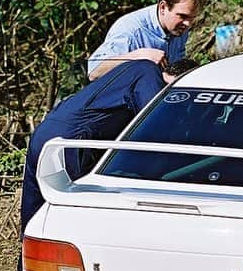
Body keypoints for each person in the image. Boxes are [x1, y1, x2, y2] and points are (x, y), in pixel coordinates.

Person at [19, 57, 198, 240]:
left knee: (34, 217)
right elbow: (156, 129)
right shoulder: (150, 76)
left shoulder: (136, 70)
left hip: (46, 133)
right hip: (73, 142)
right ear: (182, 81)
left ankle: (24, 266)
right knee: (73, 220)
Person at [86, 0, 204, 80]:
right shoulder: (131, 30)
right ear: (163, 7)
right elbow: (94, 73)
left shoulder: (179, 27)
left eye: (192, 18)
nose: (188, 24)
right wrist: (138, 56)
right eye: (182, 16)